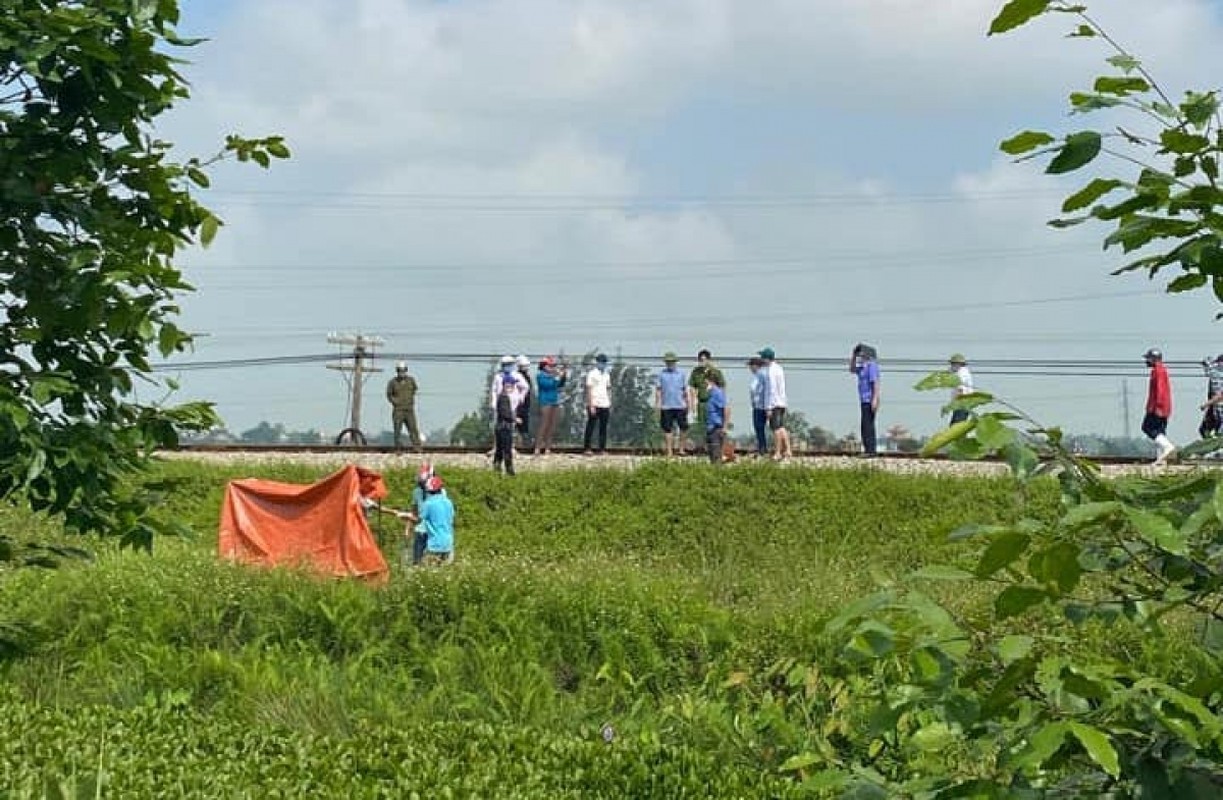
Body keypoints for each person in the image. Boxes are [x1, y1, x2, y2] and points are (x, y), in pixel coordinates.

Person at [1143, 347, 1176, 464]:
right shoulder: (1161, 370)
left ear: (1153, 359)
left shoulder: (1158, 371)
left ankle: (1167, 447)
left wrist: (1158, 407)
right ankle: (1162, 458)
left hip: (1157, 407)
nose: (1146, 361)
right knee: (1160, 431)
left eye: (1148, 359)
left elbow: (1160, 390)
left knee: (1147, 428)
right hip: (1163, 407)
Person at [655, 351, 692, 456]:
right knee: (667, 429)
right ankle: (669, 451)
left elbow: (685, 390)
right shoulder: (662, 374)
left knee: (683, 428)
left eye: (672, 362)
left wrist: (688, 403)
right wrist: (657, 404)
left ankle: (681, 449)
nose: (670, 364)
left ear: (675, 362)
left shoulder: (681, 374)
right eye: (668, 362)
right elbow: (658, 390)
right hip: (666, 406)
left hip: (680, 405)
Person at [688, 348, 725, 450]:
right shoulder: (696, 372)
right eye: (700, 360)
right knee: (702, 425)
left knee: (714, 426)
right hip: (701, 402)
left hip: (713, 402)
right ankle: (703, 446)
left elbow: (722, 387)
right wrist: (692, 405)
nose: (702, 362)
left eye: (704, 359)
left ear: (709, 360)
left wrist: (721, 403)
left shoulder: (716, 372)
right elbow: (692, 388)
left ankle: (715, 447)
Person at [759, 347, 791, 460]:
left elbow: (771, 390)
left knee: (775, 428)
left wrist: (768, 408)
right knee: (781, 427)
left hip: (774, 403)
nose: (761, 359)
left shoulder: (771, 371)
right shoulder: (779, 368)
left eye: (763, 357)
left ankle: (777, 452)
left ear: (767, 358)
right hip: (782, 402)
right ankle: (788, 449)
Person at [849, 344, 880, 456]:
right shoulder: (862, 367)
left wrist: (875, 399)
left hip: (870, 399)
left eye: (862, 353)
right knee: (864, 425)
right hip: (863, 399)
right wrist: (853, 355)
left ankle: (871, 451)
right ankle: (868, 449)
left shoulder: (872, 366)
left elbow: (875, 383)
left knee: (868, 425)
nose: (860, 355)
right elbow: (852, 369)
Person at [417, 475, 455, 565]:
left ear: (428, 490)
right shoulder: (448, 502)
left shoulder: (428, 503)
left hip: (434, 545)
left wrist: (404, 515)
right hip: (448, 543)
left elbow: (418, 519)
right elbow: (451, 518)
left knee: (428, 572)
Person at [534, 356, 568, 454]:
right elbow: (548, 385)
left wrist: (564, 374)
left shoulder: (553, 375)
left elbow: (560, 384)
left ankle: (548, 447)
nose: (553, 367)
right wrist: (557, 377)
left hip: (555, 401)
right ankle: (538, 447)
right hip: (545, 401)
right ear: (544, 366)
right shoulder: (540, 376)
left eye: (553, 366)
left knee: (552, 425)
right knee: (544, 424)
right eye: (550, 365)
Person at [386, 361, 422, 450]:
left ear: (406, 370)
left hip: (409, 409)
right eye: (399, 370)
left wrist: (409, 400)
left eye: (403, 370)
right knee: (397, 429)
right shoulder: (392, 382)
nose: (401, 372)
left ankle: (417, 446)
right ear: (397, 371)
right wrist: (395, 402)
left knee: (413, 428)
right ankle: (398, 448)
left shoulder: (411, 380)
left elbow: (414, 390)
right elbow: (389, 395)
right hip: (398, 410)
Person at [492, 371, 523, 476]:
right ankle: (509, 471)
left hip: (501, 427)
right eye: (511, 385)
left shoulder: (503, 397)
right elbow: (505, 413)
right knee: (506, 450)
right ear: (506, 385)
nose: (513, 387)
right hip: (504, 427)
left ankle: (497, 469)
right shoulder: (503, 398)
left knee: (500, 450)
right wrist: (515, 419)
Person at [583, 353, 612, 454]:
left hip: (605, 403)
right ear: (597, 362)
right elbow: (589, 389)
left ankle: (602, 448)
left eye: (604, 362)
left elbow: (608, 388)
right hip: (594, 403)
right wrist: (591, 405)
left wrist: (610, 401)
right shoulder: (592, 374)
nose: (603, 364)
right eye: (601, 362)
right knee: (591, 426)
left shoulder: (607, 374)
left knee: (603, 427)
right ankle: (587, 448)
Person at [704, 372, 729, 464]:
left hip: (716, 428)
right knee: (712, 456)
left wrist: (725, 427)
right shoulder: (711, 394)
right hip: (710, 428)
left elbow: (726, 409)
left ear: (711, 382)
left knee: (716, 457)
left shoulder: (717, 393)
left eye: (705, 382)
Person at [747, 357, 769, 458]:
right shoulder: (762, 374)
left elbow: (754, 389)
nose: (750, 368)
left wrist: (754, 400)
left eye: (751, 366)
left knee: (759, 427)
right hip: (761, 405)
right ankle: (762, 447)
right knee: (760, 428)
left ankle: (762, 449)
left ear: (755, 366)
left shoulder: (760, 375)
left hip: (760, 406)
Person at [1199, 354, 1223, 439]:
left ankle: (1213, 443)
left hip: (1217, 407)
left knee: (1207, 430)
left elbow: (1206, 361)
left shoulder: (1216, 373)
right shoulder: (1215, 373)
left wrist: (1206, 404)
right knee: (1205, 429)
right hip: (1214, 407)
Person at [947, 353, 974, 425]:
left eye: (952, 364)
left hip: (961, 404)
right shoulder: (962, 372)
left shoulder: (961, 373)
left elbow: (960, 388)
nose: (951, 366)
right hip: (962, 404)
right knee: (956, 425)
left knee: (956, 426)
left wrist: (958, 401)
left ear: (958, 364)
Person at [515, 355, 534, 450]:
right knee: (518, 425)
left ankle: (522, 444)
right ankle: (518, 444)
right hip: (519, 404)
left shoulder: (527, 376)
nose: (525, 367)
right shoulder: (517, 376)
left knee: (523, 425)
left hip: (525, 404)